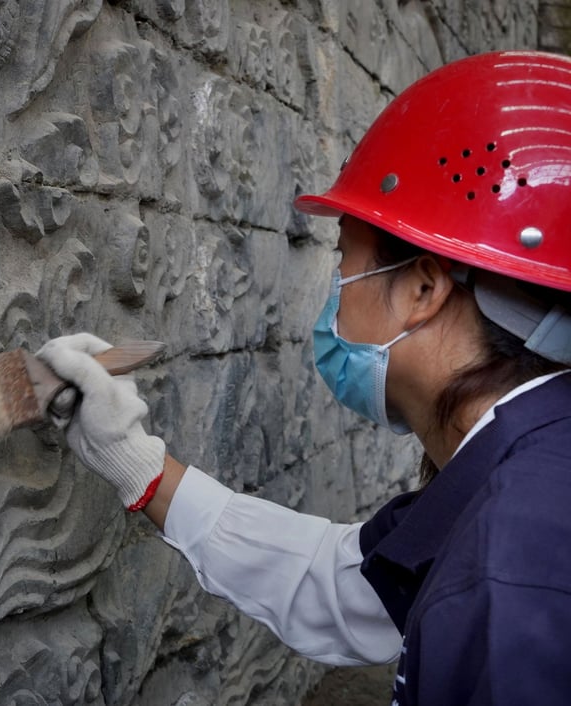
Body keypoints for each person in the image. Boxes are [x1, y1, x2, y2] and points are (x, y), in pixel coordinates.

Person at [35, 50, 571, 705]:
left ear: (425, 287)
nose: (336, 293)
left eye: (346, 261)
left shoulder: (514, 566)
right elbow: (351, 588)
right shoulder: (523, 468)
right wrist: (136, 464)